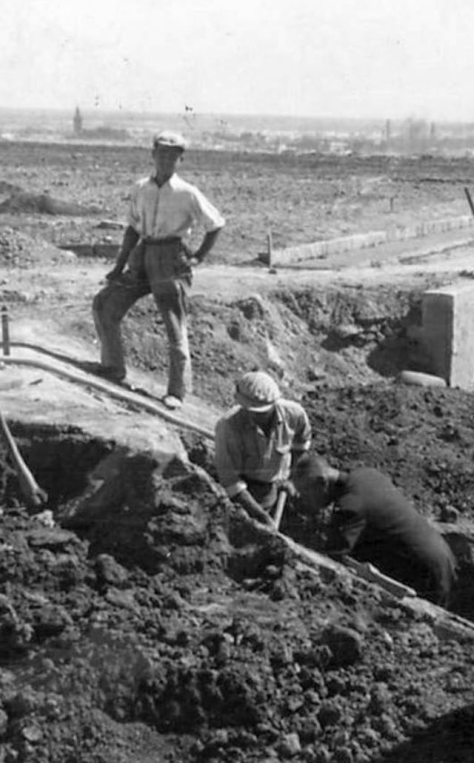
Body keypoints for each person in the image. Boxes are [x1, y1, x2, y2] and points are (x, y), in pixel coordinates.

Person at [92, 130, 225, 410]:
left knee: (174, 325)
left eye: (172, 155)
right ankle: (113, 368)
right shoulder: (141, 188)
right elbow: (132, 228)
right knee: (105, 304)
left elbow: (215, 224)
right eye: (161, 153)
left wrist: (199, 257)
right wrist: (119, 266)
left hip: (171, 258)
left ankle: (177, 391)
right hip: (143, 253)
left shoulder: (187, 193)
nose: (166, 159)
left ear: (180, 159)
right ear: (153, 155)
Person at [292, 455, 458, 607]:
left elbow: (331, 561)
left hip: (426, 572)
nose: (305, 501)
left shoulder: (351, 505)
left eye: (305, 493)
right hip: (442, 556)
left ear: (322, 482)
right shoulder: (366, 475)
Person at [214, 370, 312, 526]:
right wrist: (263, 518)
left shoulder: (295, 414)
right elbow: (231, 483)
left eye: (260, 412)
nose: (252, 416)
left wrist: (292, 478)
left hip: (272, 485)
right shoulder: (228, 426)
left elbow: (301, 445)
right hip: (243, 490)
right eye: (247, 409)